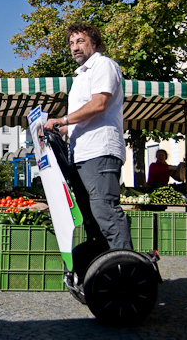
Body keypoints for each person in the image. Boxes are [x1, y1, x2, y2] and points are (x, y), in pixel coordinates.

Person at [43, 22, 132, 250]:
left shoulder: (103, 65)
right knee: (91, 212)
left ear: (94, 43)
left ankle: (125, 267)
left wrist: (63, 120)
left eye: (80, 41)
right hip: (82, 153)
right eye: (71, 43)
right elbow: (84, 115)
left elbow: (99, 104)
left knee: (105, 209)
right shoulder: (81, 76)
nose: (75, 47)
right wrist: (64, 129)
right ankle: (105, 264)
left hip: (100, 150)